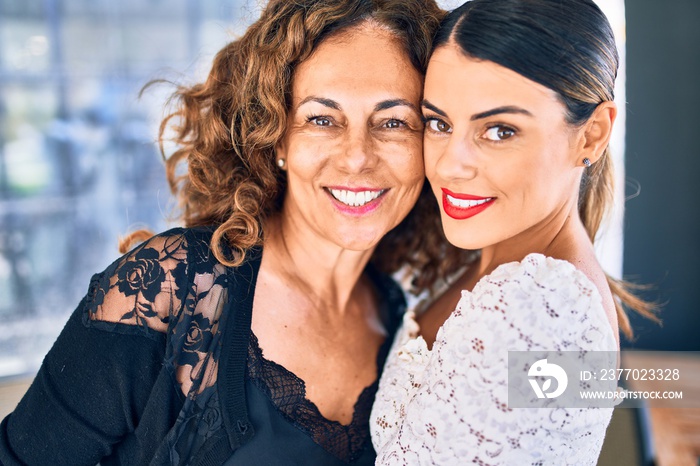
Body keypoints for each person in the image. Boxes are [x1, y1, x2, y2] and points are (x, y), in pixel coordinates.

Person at [0, 0, 462, 464]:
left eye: (394, 122)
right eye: (322, 119)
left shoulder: (405, 325)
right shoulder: (170, 287)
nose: (357, 156)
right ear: (277, 136)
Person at [370, 0, 656, 464]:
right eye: (439, 123)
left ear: (592, 135)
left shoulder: (541, 310)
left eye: (499, 130)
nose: (449, 165)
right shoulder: (488, 256)